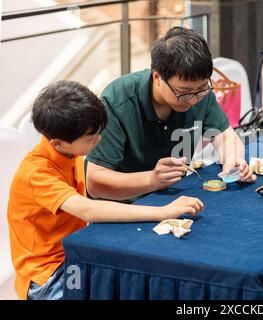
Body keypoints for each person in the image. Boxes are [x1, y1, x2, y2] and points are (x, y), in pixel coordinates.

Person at [7, 80, 204, 300]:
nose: (98, 140)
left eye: (99, 133)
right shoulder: (37, 172)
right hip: (49, 275)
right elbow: (87, 210)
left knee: (140, 274)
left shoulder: (70, 153)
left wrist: (153, 184)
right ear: (58, 144)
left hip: (80, 252)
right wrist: (163, 212)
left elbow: (96, 200)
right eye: (91, 138)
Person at [86, 26, 255, 203]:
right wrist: (152, 180)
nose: (193, 100)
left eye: (202, 89)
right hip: (127, 206)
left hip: (179, 197)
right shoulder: (117, 99)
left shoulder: (199, 94)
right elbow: (95, 182)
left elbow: (226, 137)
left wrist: (233, 161)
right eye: (184, 92)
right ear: (157, 77)